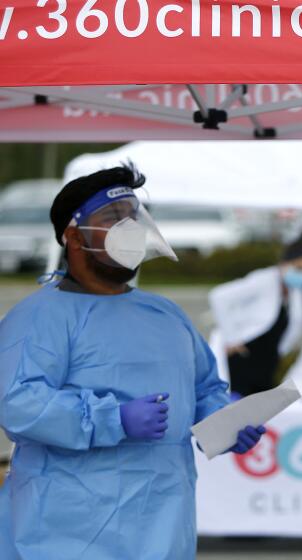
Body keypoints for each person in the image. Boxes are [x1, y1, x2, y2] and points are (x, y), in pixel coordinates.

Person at [0, 164, 265, 560]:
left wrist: (224, 419)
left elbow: (203, 387)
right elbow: (17, 403)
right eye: (112, 217)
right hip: (65, 531)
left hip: (163, 524)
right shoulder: (41, 318)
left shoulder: (165, 315)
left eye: (132, 215)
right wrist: (112, 419)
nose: (129, 226)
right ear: (73, 236)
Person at [209, 241, 302, 397]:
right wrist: (232, 339)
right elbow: (219, 296)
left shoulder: (295, 290)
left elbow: (298, 323)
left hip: (267, 363)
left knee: (261, 411)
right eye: (300, 268)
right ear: (284, 263)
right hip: (243, 358)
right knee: (238, 409)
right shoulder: (264, 280)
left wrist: (281, 351)